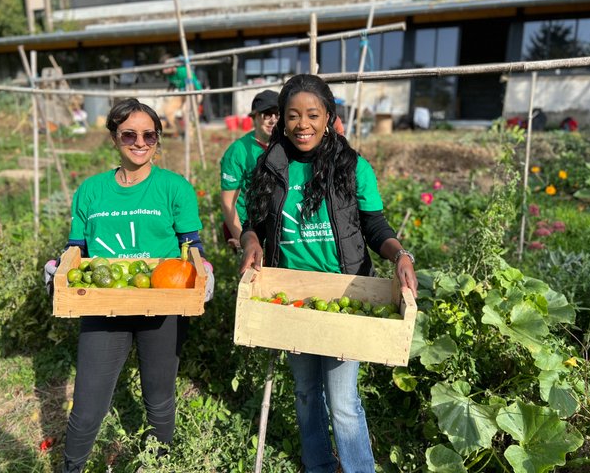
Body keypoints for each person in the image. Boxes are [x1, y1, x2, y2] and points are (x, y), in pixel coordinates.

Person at [239, 74, 418, 473]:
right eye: (293, 115)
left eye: (312, 115)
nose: (302, 124)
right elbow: (253, 222)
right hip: (290, 297)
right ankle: (318, 464)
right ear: (282, 120)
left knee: (342, 399)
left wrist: (400, 254)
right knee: (304, 391)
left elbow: (375, 227)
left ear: (329, 117)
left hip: (345, 295)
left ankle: (358, 468)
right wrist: (250, 240)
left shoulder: (351, 167)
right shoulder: (269, 165)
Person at [55, 98, 213, 472]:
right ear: (114, 138)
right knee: (88, 404)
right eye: (129, 133)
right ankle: (71, 468)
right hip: (102, 305)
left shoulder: (175, 188)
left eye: (149, 135)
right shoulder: (91, 191)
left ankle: (157, 465)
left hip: (161, 303)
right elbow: (76, 248)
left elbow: (191, 244)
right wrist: (58, 265)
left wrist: (202, 268)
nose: (140, 142)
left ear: (158, 139)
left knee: (158, 398)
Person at [220, 89, 278, 251]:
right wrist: (241, 239)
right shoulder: (238, 151)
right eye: (267, 114)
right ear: (254, 117)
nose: (273, 120)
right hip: (249, 227)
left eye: (277, 114)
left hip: (275, 226)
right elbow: (228, 201)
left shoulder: (285, 147)